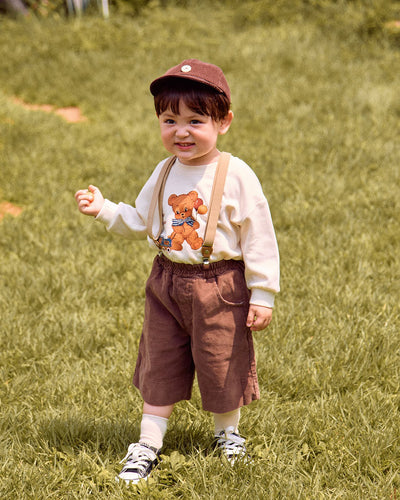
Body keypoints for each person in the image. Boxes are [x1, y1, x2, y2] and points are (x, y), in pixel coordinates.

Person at [75, 59, 280, 484]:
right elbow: (142, 219)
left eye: (195, 120)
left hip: (220, 284)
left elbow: (259, 235)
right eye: (169, 120)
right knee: (160, 361)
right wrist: (105, 210)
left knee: (221, 360)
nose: (180, 131)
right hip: (167, 282)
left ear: (223, 121)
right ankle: (147, 443)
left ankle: (228, 435)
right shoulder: (165, 170)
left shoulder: (236, 174)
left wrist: (262, 293)